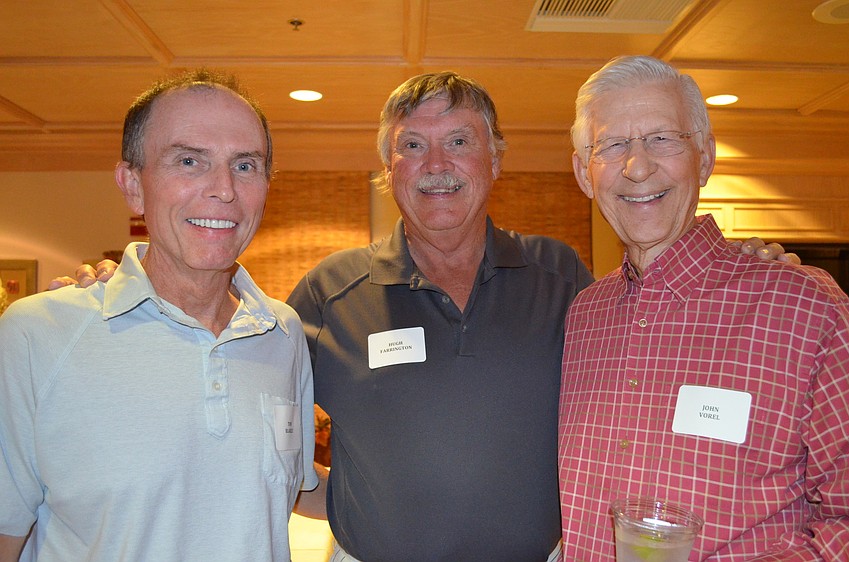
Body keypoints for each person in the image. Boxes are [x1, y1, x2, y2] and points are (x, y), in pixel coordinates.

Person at [52, 71, 793, 562]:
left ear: (495, 159)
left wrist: (743, 258)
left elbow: (656, 320)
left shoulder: (566, 279)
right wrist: (129, 282)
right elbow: (216, 349)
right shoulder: (326, 293)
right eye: (412, 146)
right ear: (390, 169)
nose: (436, 163)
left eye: (460, 142)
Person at [0, 70, 317, 561]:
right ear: (132, 184)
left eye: (246, 165)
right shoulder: (37, 335)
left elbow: (290, 488)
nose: (224, 190)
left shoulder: (282, 333)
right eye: (189, 161)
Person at [558, 55, 849, 559]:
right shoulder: (582, 316)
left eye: (662, 138)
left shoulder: (806, 310)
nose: (637, 165)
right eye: (612, 145)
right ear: (585, 174)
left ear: (706, 158)